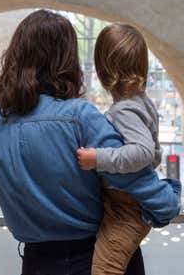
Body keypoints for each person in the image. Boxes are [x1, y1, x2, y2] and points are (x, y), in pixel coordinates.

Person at [0, 10, 181, 275]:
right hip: (96, 258)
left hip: (37, 262)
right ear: (66, 60)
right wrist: (168, 203)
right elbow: (134, 180)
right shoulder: (79, 117)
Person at [76, 23, 162, 275]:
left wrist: (98, 158)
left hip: (127, 208)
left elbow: (144, 151)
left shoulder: (125, 110)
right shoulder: (141, 103)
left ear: (102, 72)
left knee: (105, 268)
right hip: (128, 205)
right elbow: (155, 153)